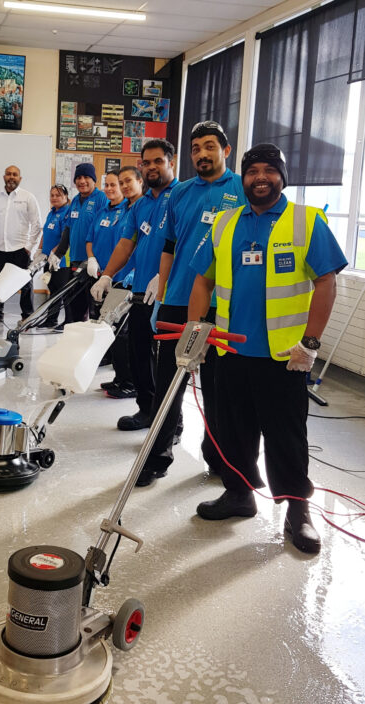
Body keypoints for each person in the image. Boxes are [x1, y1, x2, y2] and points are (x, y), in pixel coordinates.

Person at [188, 143, 347, 554]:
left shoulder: (305, 221)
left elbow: (326, 281)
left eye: (269, 170)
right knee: (233, 429)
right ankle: (239, 494)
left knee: (286, 436)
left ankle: (298, 512)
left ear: (282, 176)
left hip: (284, 358)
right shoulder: (223, 224)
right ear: (243, 178)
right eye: (252, 170)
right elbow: (203, 280)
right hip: (231, 352)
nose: (260, 177)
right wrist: (194, 332)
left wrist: (310, 343)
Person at [135, 121, 246, 487]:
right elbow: (168, 245)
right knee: (169, 383)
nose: (202, 153)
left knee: (218, 388)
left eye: (210, 146)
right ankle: (156, 458)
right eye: (196, 148)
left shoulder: (242, 189)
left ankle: (217, 458)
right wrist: (162, 292)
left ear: (225, 151)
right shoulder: (179, 193)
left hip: (222, 306)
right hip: (178, 301)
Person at [91, 139, 179, 430]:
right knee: (138, 353)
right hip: (141, 291)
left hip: (171, 294)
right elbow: (126, 244)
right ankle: (147, 409)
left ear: (171, 162)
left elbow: (189, 243)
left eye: (158, 161)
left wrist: (164, 277)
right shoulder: (140, 206)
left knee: (168, 364)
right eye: (147, 162)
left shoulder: (181, 196)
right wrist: (107, 274)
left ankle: (172, 423)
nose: (152, 166)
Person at [99, 165, 145, 398]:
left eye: (128, 181)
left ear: (140, 181)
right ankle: (120, 377)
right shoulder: (126, 209)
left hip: (134, 281)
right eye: (122, 182)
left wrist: (131, 274)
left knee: (125, 334)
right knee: (114, 330)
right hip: (118, 278)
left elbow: (142, 247)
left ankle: (130, 383)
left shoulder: (144, 207)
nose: (125, 186)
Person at [0, 164, 42, 325]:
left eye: (15, 174)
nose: (11, 177)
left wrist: (29, 247)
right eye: (8, 174)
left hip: (20, 250)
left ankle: (27, 315)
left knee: (26, 285)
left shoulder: (28, 197)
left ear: (20, 178)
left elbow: (36, 224)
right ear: (4, 177)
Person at [52, 163, 106, 323]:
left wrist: (94, 259)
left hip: (94, 263)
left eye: (86, 177)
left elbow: (102, 231)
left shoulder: (101, 199)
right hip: (76, 261)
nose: (82, 181)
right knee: (73, 307)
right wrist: (58, 254)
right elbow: (68, 229)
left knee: (95, 309)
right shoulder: (74, 201)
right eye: (78, 178)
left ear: (93, 180)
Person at [39, 184, 70, 329]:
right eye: (52, 195)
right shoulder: (51, 212)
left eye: (58, 195)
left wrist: (55, 254)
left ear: (65, 197)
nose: (54, 198)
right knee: (53, 291)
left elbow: (66, 237)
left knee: (61, 292)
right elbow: (45, 233)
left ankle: (68, 322)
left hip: (60, 261)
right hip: (47, 259)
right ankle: (51, 320)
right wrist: (40, 250)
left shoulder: (67, 213)